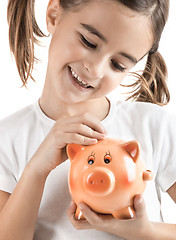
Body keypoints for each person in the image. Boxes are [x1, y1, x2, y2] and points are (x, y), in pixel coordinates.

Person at [0, 0, 175, 239]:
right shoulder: (7, 139)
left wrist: (145, 231)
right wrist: (36, 170)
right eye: (89, 42)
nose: (95, 70)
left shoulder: (154, 126)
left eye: (117, 65)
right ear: (53, 15)